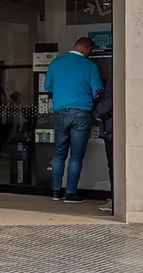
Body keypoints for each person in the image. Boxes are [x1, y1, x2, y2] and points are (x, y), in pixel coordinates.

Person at [44, 37, 103, 204]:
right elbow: (98, 91)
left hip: (60, 112)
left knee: (59, 154)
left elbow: (47, 86)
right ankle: (70, 193)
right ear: (88, 49)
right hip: (81, 113)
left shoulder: (56, 63)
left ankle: (56, 192)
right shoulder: (89, 65)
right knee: (76, 156)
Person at [94, 78, 113, 213]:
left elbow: (110, 100)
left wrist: (98, 112)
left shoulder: (115, 78)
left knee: (113, 165)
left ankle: (115, 198)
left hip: (112, 129)